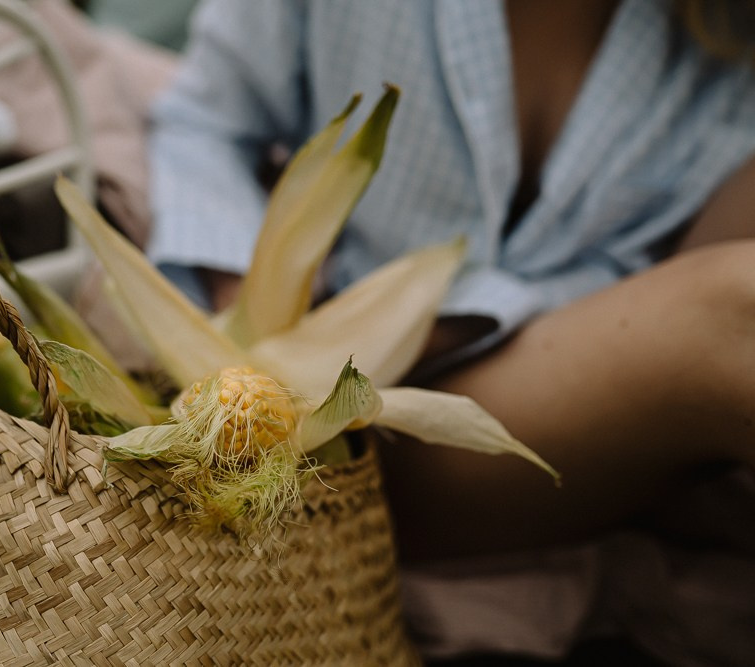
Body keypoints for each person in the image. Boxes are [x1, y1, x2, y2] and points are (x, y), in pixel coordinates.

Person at [145, 0, 755, 564]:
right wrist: (255, 328)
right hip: (333, 412)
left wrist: (444, 327)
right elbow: (205, 124)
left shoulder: (727, 35)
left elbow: (662, 272)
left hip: (555, 388)